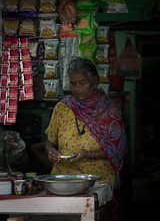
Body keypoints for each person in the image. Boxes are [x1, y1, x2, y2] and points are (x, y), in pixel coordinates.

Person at [45, 57, 127, 187]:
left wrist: (88, 154)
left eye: (82, 83)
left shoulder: (109, 110)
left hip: (98, 181)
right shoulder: (62, 107)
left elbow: (116, 149)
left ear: (95, 81)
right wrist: (50, 151)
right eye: (73, 84)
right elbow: (49, 143)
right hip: (64, 181)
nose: (77, 88)